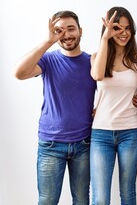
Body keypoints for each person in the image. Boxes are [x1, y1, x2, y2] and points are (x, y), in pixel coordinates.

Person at [13, 11, 96, 205]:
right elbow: (19, 73)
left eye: (71, 29)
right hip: (51, 144)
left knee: (82, 200)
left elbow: (109, 90)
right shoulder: (48, 60)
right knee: (48, 200)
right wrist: (47, 42)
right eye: (59, 31)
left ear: (80, 31)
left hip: (83, 143)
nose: (66, 35)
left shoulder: (91, 61)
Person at [90, 7, 137, 205]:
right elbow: (97, 76)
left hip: (130, 131)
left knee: (128, 193)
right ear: (107, 29)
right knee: (101, 197)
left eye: (127, 28)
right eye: (117, 28)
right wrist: (105, 39)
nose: (123, 33)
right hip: (101, 132)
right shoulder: (96, 57)